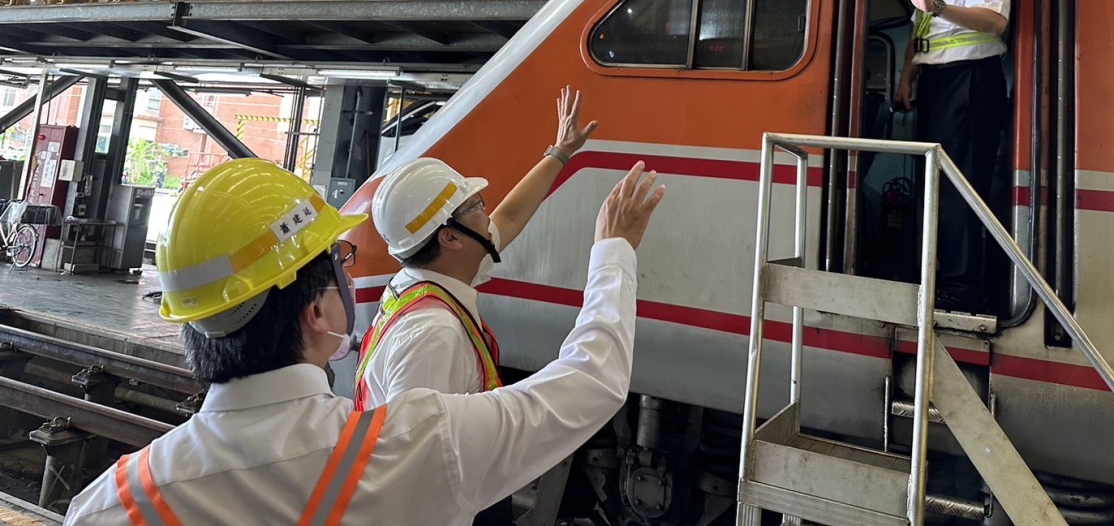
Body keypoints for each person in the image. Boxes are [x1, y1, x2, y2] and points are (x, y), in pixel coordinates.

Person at [63, 156, 664, 525]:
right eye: (340, 263)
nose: (351, 279)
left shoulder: (107, 504)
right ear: (316, 312)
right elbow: (591, 382)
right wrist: (613, 250)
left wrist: (558, 154)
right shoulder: (415, 448)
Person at [355, 86, 596, 524]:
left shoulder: (429, 277)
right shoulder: (433, 332)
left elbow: (508, 218)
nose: (487, 211)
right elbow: (418, 464)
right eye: (475, 205)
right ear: (450, 237)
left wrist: (560, 152)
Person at [896, 0, 1014, 314]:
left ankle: (964, 291)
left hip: (972, 82)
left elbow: (995, 21)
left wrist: (939, 6)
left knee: (961, 189)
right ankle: (941, 279)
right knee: (936, 187)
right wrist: (907, 76)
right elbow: (920, 30)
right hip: (937, 84)